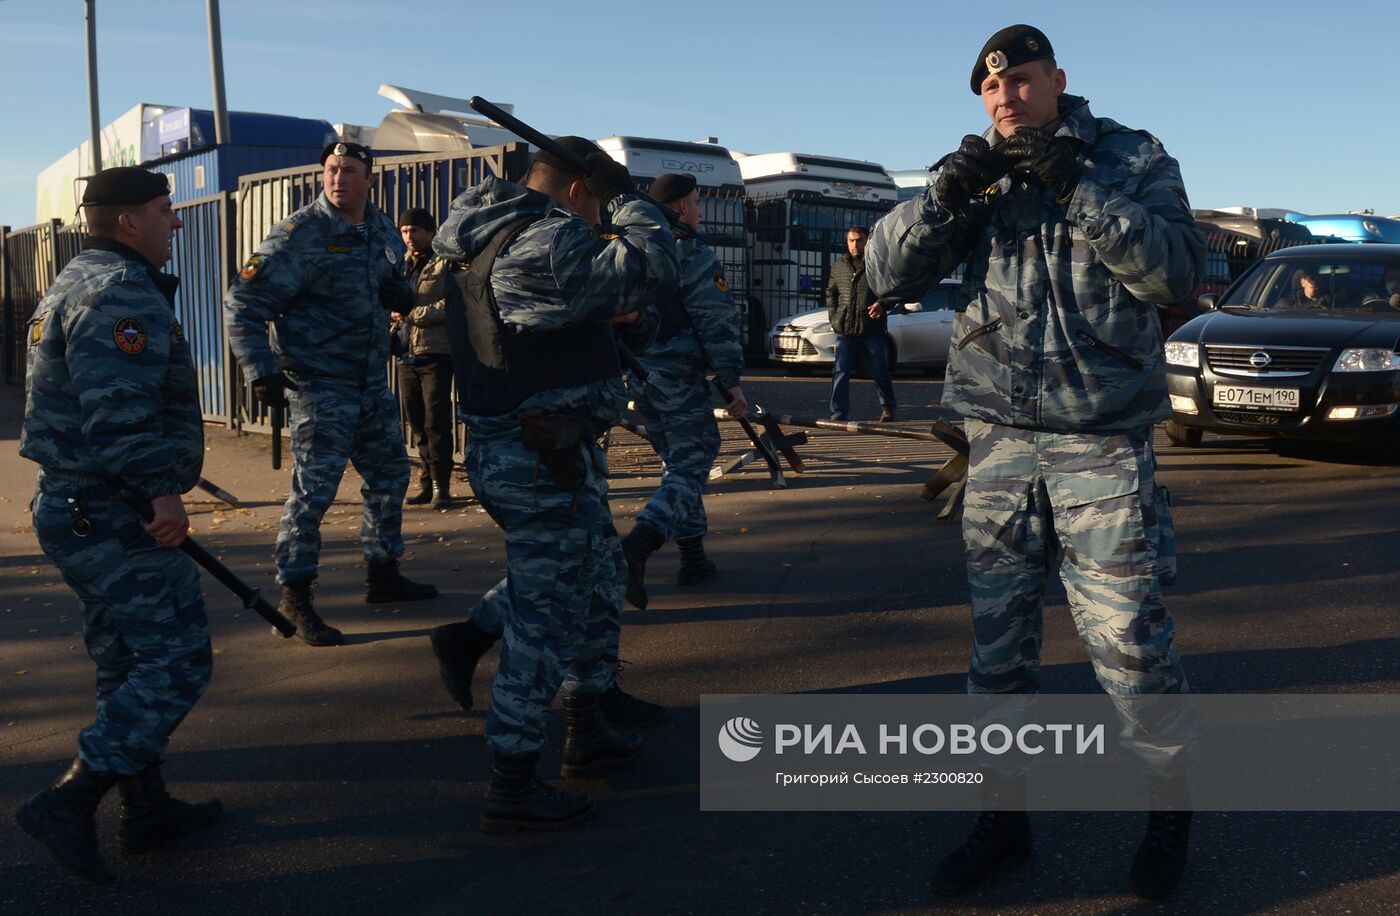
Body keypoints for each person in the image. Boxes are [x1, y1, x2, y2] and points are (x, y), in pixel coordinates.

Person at [866, 24, 1205, 901]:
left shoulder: (1129, 157)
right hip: (999, 442)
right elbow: (882, 275)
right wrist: (942, 199)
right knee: (998, 652)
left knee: (1128, 642)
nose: (1004, 97)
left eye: (1018, 80)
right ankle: (1000, 818)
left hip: (1100, 436)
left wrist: (1080, 190)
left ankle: (1169, 806)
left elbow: (1175, 276)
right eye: (990, 89)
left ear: (1056, 79)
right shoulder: (968, 168)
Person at [427, 138, 679, 832]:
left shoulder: (510, 235)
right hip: (534, 457)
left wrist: (625, 321)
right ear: (576, 191)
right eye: (594, 202)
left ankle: (587, 722)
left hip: (554, 447)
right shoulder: (540, 241)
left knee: (593, 575)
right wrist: (632, 201)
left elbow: (609, 321)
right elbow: (651, 266)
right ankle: (512, 780)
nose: (599, 215)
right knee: (545, 614)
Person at [16, 167, 221, 883]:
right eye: (168, 210)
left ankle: (147, 807)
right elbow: (119, 415)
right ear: (130, 221)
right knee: (177, 659)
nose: (177, 223)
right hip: (112, 510)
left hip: (79, 506)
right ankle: (71, 801)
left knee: (127, 661)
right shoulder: (120, 291)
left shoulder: (76, 279)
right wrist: (162, 494)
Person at [224, 142, 437, 648]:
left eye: (349, 171)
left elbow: (392, 282)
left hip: (367, 383)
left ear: (369, 179)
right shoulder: (300, 233)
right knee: (314, 493)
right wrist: (261, 370)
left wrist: (401, 295)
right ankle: (296, 596)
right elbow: (242, 303)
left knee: (389, 474)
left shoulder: (381, 227)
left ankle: (382, 574)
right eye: (332, 170)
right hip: (318, 385)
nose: (338, 178)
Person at [618, 172, 748, 610]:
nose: (699, 210)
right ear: (677, 208)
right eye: (694, 202)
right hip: (680, 378)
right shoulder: (692, 254)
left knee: (677, 465)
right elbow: (716, 321)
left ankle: (693, 558)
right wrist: (730, 381)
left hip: (641, 376)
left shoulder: (633, 249)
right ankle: (638, 544)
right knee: (692, 465)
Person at [393, 207, 458, 510]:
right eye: (405, 232)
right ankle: (424, 481)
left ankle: (442, 486)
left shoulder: (445, 263)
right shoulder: (402, 265)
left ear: (430, 232)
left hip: (435, 352)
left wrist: (414, 315)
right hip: (406, 354)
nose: (409, 237)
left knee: (437, 422)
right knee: (416, 422)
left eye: (414, 231)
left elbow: (453, 304)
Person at [826, 226, 896, 421]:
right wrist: (834, 317)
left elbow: (892, 291)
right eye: (851, 240)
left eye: (859, 240)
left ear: (867, 241)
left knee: (879, 372)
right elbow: (831, 293)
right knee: (840, 371)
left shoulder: (879, 264)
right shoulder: (839, 265)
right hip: (845, 330)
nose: (855, 245)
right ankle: (838, 414)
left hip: (872, 330)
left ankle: (888, 407)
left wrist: (883, 304)